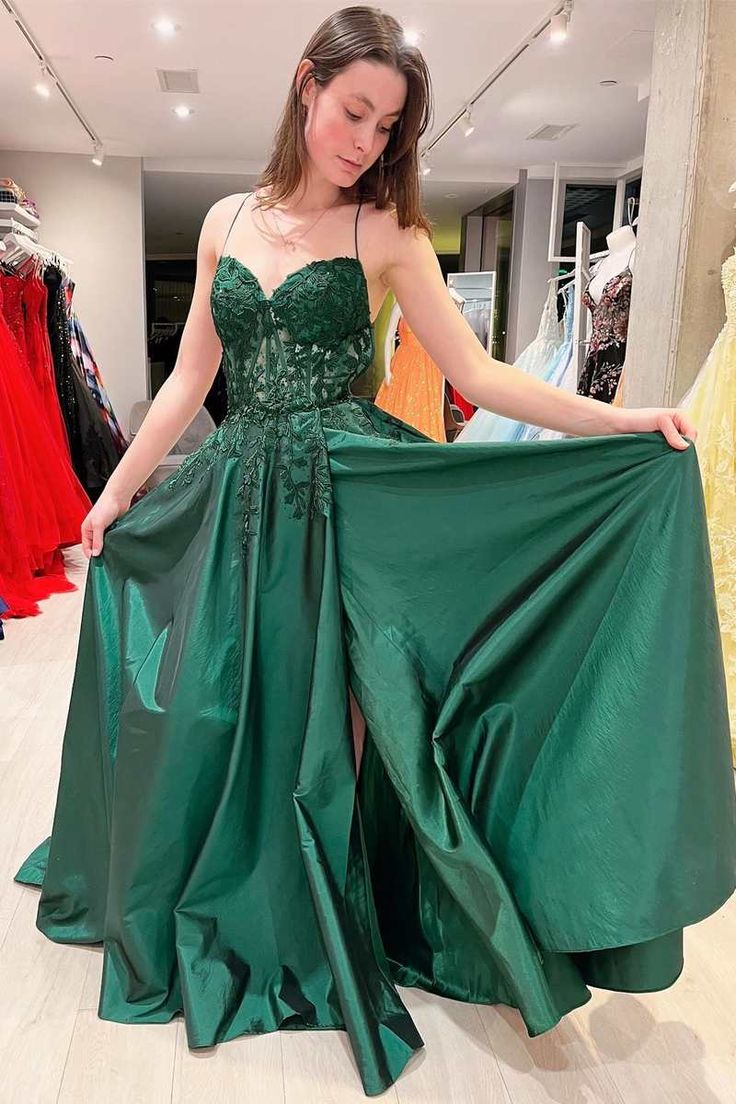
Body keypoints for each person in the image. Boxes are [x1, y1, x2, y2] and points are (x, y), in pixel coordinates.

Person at [14, 7, 735, 1099]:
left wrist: (622, 419)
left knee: (346, 718)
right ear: (307, 85)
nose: (366, 142)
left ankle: (337, 905)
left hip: (347, 499)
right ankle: (238, 878)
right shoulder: (224, 220)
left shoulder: (387, 232)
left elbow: (478, 377)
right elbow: (191, 379)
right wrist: (111, 492)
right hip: (240, 491)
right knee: (221, 700)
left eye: (387, 127)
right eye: (354, 112)